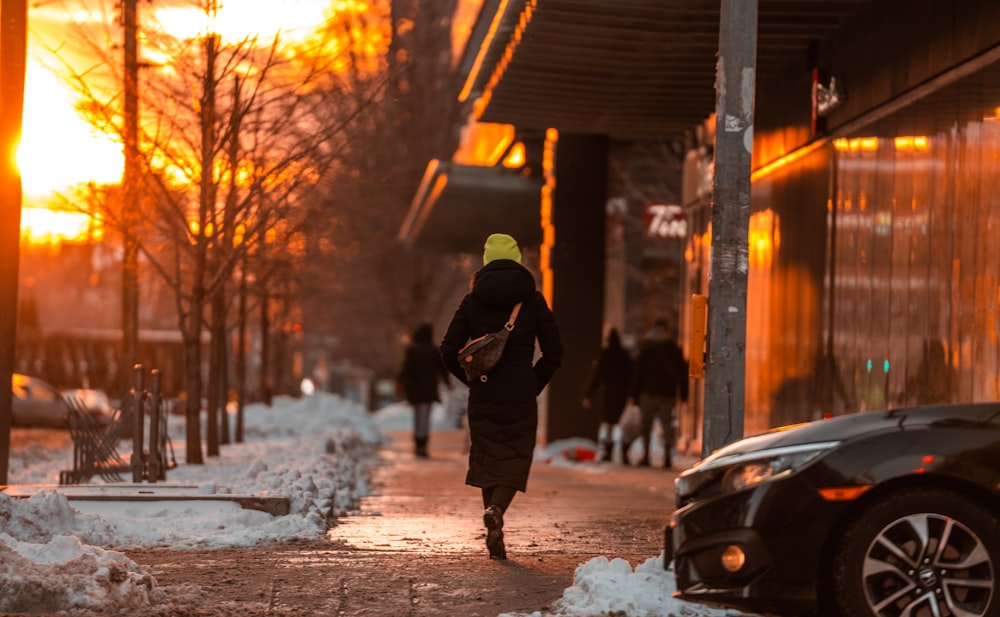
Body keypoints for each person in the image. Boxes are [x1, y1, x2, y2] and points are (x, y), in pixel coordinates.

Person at [440, 233, 563, 560]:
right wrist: (532, 383)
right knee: (514, 455)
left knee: (488, 456)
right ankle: (497, 510)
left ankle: (493, 520)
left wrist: (471, 381)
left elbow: (448, 350)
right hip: (520, 389)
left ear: (486, 261)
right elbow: (555, 352)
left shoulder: (472, 300)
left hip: (483, 389)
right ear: (518, 260)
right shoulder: (533, 300)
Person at [628, 318, 688, 469]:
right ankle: (667, 457)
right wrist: (684, 394)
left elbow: (638, 373)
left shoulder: (646, 347)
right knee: (667, 425)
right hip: (667, 393)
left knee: (645, 426)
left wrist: (634, 394)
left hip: (648, 393)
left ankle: (646, 456)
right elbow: (682, 372)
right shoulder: (673, 348)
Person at [396, 322, 450, 458]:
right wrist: (447, 382)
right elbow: (442, 369)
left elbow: (406, 368)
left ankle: (418, 444)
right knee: (425, 417)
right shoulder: (433, 350)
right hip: (429, 389)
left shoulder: (412, 349)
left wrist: (400, 381)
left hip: (414, 389)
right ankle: (423, 445)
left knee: (417, 416)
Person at [581, 328, 633, 463]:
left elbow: (596, 377)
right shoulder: (624, 355)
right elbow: (631, 375)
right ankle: (624, 452)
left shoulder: (605, 355)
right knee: (621, 423)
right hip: (621, 394)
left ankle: (608, 452)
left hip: (608, 394)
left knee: (609, 424)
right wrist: (631, 394)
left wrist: (588, 394)